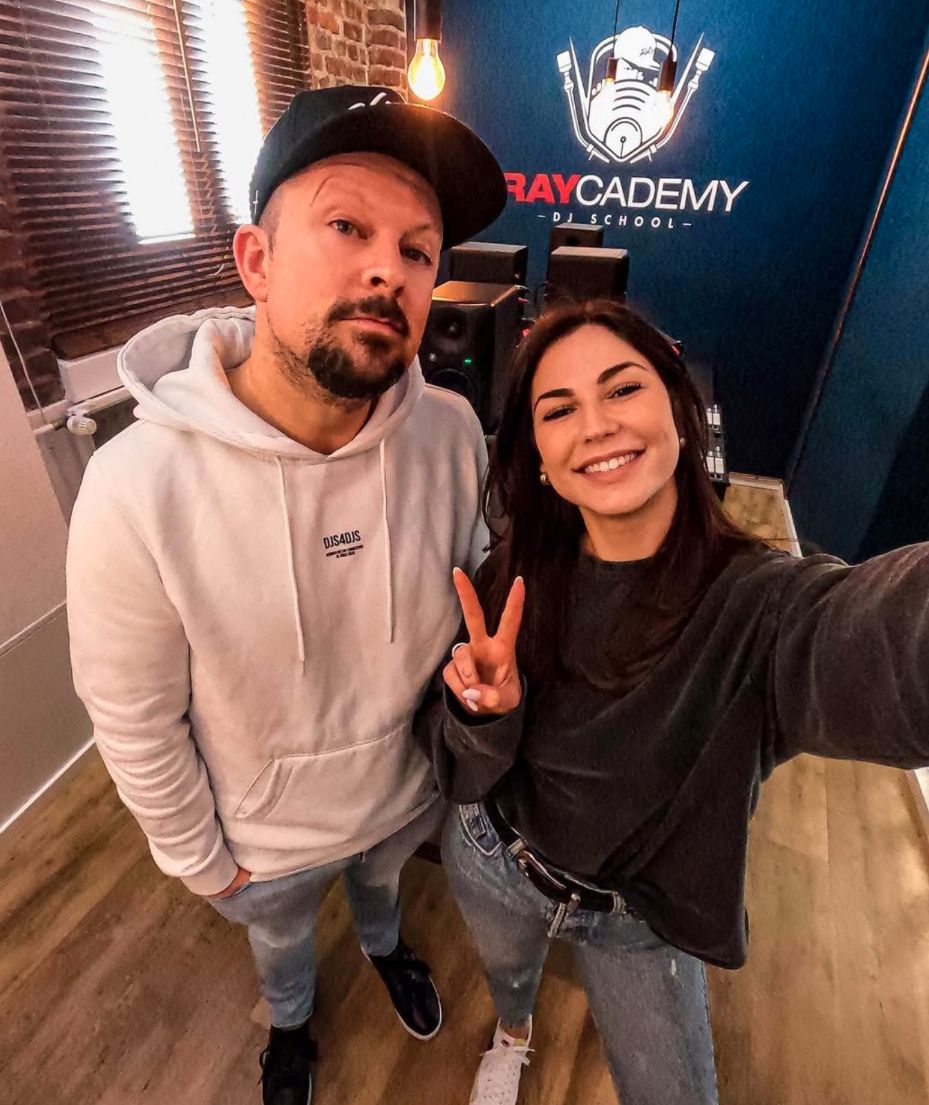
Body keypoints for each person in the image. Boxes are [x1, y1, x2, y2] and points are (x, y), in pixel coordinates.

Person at [66, 84, 506, 1105]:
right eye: (346, 227)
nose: (386, 270)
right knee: (284, 956)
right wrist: (203, 861)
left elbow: (472, 594)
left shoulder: (448, 434)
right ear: (256, 261)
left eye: (416, 250)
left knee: (383, 900)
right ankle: (293, 1030)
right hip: (260, 845)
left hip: (403, 798)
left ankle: (389, 951)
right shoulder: (137, 487)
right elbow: (132, 714)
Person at [415, 298, 929, 1105]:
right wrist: (484, 713)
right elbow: (459, 769)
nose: (596, 425)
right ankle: (512, 1033)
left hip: (635, 921)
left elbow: (885, 641)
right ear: (539, 456)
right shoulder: (510, 578)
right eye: (558, 409)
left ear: (681, 415)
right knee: (506, 975)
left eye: (622, 389)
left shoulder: (762, 606)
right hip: (492, 858)